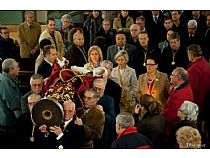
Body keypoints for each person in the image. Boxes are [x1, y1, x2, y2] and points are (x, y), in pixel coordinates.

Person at [187, 44, 210, 139]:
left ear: (192, 54)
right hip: (206, 101)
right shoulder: (205, 63)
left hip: (197, 103)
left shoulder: (194, 69)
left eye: (188, 53)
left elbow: (191, 89)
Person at [163, 67, 193, 137]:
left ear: (179, 78)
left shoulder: (182, 94)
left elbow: (171, 115)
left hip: (173, 128)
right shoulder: (178, 87)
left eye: (172, 75)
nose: (170, 76)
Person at [0, 58, 22, 148]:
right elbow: (14, 104)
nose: (19, 69)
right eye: (17, 67)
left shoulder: (7, 78)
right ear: (10, 70)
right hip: (8, 123)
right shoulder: (6, 82)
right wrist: (22, 121)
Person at [92, 78, 116, 148]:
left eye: (100, 89)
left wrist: (103, 113)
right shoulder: (86, 97)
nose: (97, 91)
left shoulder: (109, 100)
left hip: (103, 136)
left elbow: (112, 121)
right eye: (95, 88)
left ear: (104, 89)